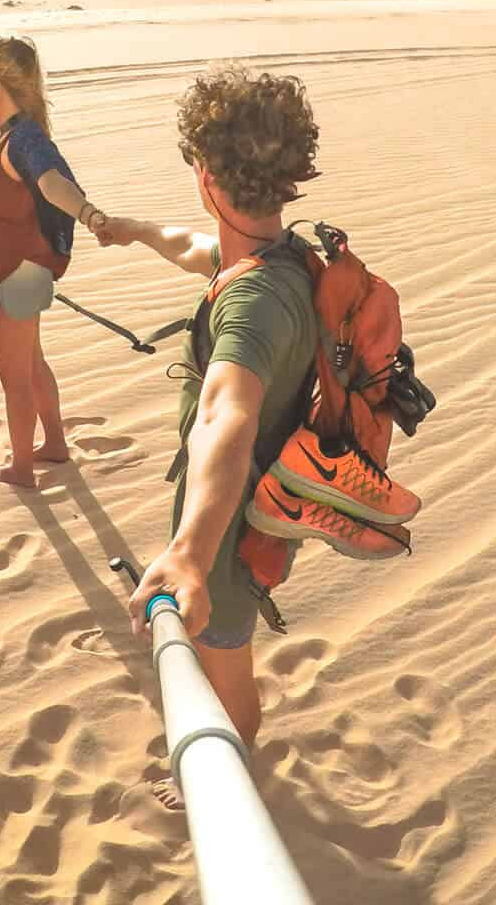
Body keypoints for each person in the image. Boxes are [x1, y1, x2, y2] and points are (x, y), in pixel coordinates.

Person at [95, 64, 326, 756]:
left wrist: (191, 555)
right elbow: (197, 249)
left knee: (223, 658)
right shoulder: (279, 256)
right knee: (214, 643)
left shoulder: (252, 306)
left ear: (205, 176)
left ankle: (239, 759)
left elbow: (228, 412)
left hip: (228, 527)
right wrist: (135, 230)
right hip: (238, 501)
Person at [0, 37, 108, 488]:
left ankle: (21, 468)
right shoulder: (3, 131)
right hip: (15, 266)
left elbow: (52, 182)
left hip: (17, 271)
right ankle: (54, 444)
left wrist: (89, 215)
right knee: (32, 362)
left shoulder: (25, 140)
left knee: (14, 376)